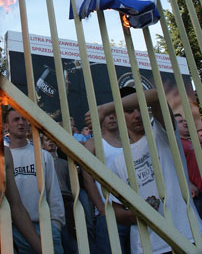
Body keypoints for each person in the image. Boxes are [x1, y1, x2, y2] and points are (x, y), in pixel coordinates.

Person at [91, 89, 202, 254]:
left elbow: (156, 95)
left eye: (140, 108)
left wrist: (105, 109)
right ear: (118, 115)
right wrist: (141, 214)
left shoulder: (162, 134)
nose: (137, 115)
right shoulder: (118, 162)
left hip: (187, 236)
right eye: (129, 111)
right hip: (147, 246)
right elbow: (116, 210)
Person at [4, 108, 65, 254]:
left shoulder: (43, 155)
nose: (21, 123)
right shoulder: (3, 158)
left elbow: (54, 192)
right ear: (6, 126)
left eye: (24, 119)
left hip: (45, 226)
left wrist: (55, 224)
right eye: (16, 120)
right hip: (15, 230)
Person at [83, 97, 131, 254]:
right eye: (107, 114)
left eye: (113, 114)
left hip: (135, 211)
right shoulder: (93, 143)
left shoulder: (129, 141)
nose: (111, 117)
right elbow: (87, 175)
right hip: (109, 213)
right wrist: (101, 207)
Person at [41, 134, 78, 253]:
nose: (50, 143)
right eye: (47, 140)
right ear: (42, 144)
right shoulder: (42, 162)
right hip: (51, 200)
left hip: (67, 200)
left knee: (70, 233)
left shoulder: (64, 163)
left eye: (52, 141)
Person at [175, 113, 202, 218]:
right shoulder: (177, 143)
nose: (185, 123)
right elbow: (176, 165)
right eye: (181, 122)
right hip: (197, 193)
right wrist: (189, 184)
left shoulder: (191, 141)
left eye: (184, 120)